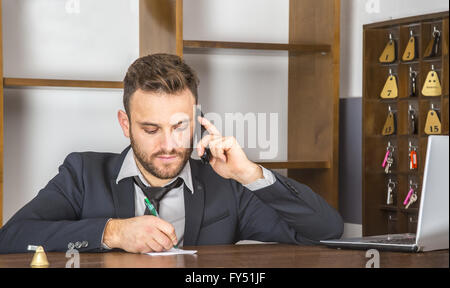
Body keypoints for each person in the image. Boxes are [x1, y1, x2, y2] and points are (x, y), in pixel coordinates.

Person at [0, 54, 343, 254]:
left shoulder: (227, 185)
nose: (168, 144)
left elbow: (325, 231)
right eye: (150, 129)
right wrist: (113, 232)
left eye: (180, 126)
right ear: (125, 124)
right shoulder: (82, 174)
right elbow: (11, 238)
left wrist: (250, 174)